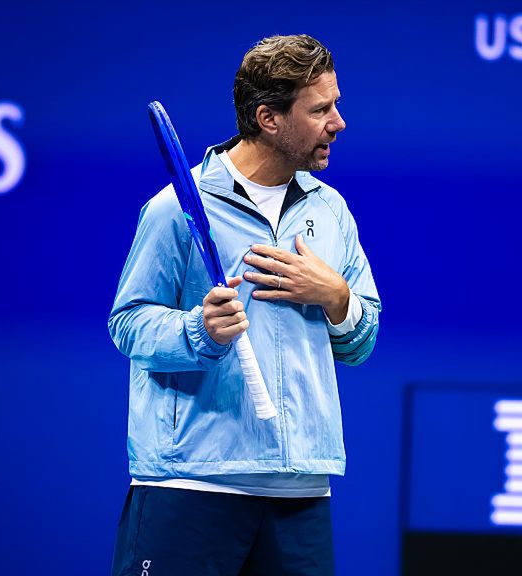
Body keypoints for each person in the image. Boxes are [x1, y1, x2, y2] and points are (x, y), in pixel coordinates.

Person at [107, 34, 380, 576]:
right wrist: (199, 330)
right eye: (321, 109)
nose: (338, 122)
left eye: (337, 104)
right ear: (269, 118)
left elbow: (362, 340)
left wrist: (337, 298)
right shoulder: (175, 209)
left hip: (302, 490)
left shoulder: (333, 212)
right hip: (193, 483)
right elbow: (129, 323)